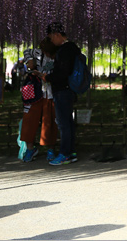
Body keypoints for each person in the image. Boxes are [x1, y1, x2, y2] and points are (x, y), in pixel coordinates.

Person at [42, 21, 81, 166]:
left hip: (62, 90)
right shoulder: (73, 48)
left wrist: (47, 77)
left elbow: (63, 73)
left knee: (64, 124)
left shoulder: (64, 50)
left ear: (57, 35)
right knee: (69, 123)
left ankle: (65, 154)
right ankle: (71, 153)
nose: (51, 41)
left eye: (51, 37)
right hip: (69, 90)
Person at [20, 43, 58, 163]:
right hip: (33, 90)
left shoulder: (58, 54)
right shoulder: (37, 52)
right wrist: (29, 61)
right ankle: (30, 149)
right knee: (29, 119)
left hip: (50, 92)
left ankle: (50, 148)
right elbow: (26, 52)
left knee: (49, 120)